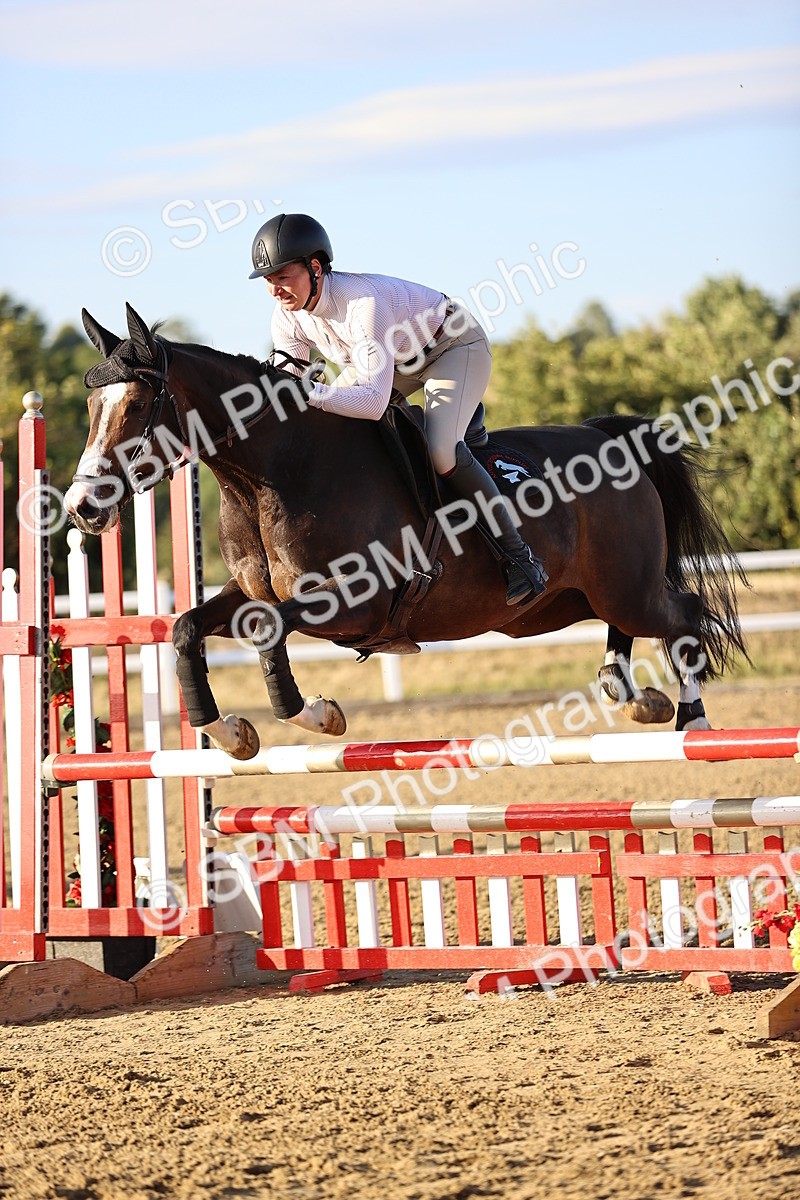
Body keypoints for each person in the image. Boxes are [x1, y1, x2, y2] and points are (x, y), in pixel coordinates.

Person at [249, 212, 548, 605]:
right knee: (330, 426)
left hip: (453, 347)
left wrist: (307, 394)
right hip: (395, 363)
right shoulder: (286, 317)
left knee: (442, 451)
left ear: (316, 268)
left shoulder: (361, 304)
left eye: (283, 277)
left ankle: (521, 559)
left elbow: (372, 403)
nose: (275, 290)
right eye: (269, 281)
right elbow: (290, 378)